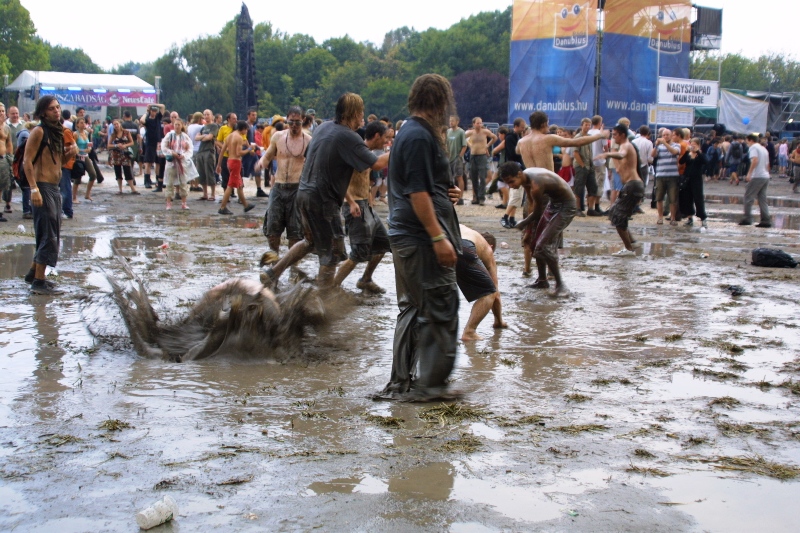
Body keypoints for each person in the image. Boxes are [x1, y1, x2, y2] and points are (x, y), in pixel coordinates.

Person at [376, 74, 461, 401]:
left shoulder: (413, 134)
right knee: (438, 304)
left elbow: (424, 186)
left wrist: (446, 191)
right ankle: (429, 386)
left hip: (410, 236)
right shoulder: (418, 137)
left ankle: (403, 383)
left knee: (413, 308)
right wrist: (439, 238)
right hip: (420, 239)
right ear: (439, 102)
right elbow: (417, 193)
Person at [261, 93, 389, 290]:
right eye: (360, 113)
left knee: (310, 241)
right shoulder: (349, 136)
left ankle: (272, 273)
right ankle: (323, 302)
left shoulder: (322, 127)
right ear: (352, 113)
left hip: (303, 194)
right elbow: (378, 163)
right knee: (332, 253)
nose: (362, 118)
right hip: (323, 200)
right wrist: (400, 147)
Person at [23, 96, 77, 295]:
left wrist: (71, 153)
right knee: (48, 235)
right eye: (52, 108)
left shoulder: (57, 132)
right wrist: (33, 189)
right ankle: (38, 281)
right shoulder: (38, 131)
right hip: (42, 187)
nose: (56, 110)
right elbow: (27, 162)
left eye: (58, 107)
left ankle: (33, 272)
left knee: (51, 233)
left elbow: (58, 161)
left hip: (54, 188)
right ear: (43, 112)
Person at [497, 162, 577, 297]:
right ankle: (542, 280)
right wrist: (529, 231)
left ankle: (561, 285)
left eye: (511, 182)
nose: (511, 186)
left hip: (566, 206)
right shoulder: (526, 181)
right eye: (507, 184)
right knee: (535, 243)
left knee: (543, 246)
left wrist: (522, 223)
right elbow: (532, 207)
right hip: (553, 204)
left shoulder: (535, 185)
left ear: (519, 174)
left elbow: (537, 213)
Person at [332, 120, 391, 293]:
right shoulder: (357, 152)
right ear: (377, 136)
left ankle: (365, 279)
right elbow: (338, 181)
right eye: (385, 138)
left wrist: (370, 203)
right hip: (354, 205)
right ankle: (331, 287)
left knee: (383, 243)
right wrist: (350, 202)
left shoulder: (367, 153)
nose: (387, 142)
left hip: (366, 206)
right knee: (358, 253)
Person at [256, 106, 311, 265]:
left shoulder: (308, 141)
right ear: (287, 120)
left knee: (295, 232)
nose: (294, 126)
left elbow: (313, 164)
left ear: (303, 121)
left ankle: (293, 266)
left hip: (297, 189)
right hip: (278, 187)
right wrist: (261, 164)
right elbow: (268, 156)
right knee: (272, 230)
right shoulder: (278, 137)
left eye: (297, 123)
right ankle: (274, 260)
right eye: (291, 122)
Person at [593, 124, 645, 256]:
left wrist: (607, 154)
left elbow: (621, 155)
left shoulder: (626, 145)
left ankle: (629, 249)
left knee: (618, 216)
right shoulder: (625, 146)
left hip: (633, 185)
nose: (613, 136)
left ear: (622, 135)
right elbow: (620, 166)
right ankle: (632, 242)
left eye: (615, 134)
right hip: (631, 185)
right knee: (616, 214)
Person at [457, 224, 506, 341]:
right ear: (491, 246)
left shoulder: (468, 231)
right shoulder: (487, 250)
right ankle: (469, 331)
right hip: (463, 247)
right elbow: (495, 294)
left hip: (436, 244)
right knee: (489, 293)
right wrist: (499, 321)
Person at [216, 121, 257, 215]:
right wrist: (250, 148)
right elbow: (239, 153)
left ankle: (246, 205)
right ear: (242, 129)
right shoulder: (238, 137)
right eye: (246, 129)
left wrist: (218, 165)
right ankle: (222, 207)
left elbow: (222, 151)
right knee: (230, 186)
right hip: (235, 162)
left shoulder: (230, 136)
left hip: (229, 161)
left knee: (239, 185)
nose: (247, 131)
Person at [739, 132, 772, 227]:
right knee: (762, 199)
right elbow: (767, 164)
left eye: (747, 141)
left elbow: (754, 160)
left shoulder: (753, 147)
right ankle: (766, 220)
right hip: (765, 176)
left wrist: (749, 173)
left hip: (757, 176)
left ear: (751, 140)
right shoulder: (764, 149)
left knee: (748, 197)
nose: (747, 143)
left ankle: (747, 218)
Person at [161, 118, 194, 210]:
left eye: (179, 124)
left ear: (182, 125)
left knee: (183, 182)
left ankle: (184, 202)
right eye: (175, 124)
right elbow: (164, 147)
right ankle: (168, 203)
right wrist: (172, 152)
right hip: (171, 162)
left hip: (182, 162)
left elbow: (190, 149)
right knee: (169, 182)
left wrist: (183, 155)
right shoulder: (169, 135)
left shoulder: (185, 136)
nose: (177, 126)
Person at [651, 128, 681, 225]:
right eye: (663, 135)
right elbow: (652, 155)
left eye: (667, 135)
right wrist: (656, 145)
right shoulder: (659, 146)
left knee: (673, 198)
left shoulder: (677, 145)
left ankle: (672, 218)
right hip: (660, 175)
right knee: (659, 198)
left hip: (673, 176)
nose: (665, 137)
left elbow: (674, 152)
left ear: (671, 135)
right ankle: (660, 217)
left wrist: (665, 143)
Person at [464, 117, 497, 205]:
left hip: (482, 155)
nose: (479, 125)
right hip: (473, 155)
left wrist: (487, 145)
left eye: (480, 123)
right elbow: (462, 137)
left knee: (482, 177)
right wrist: (469, 145)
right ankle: (476, 197)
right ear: (474, 124)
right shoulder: (470, 132)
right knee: (473, 177)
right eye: (478, 123)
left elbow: (494, 137)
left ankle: (481, 197)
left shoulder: (485, 131)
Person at [678, 137, 708, 227]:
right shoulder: (688, 154)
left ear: (698, 145)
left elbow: (705, 161)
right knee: (687, 199)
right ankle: (689, 217)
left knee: (698, 199)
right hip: (687, 179)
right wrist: (687, 151)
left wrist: (698, 151)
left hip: (697, 179)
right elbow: (681, 161)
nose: (693, 146)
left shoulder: (701, 155)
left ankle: (703, 218)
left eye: (695, 144)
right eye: (691, 144)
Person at [193, 109, 219, 201]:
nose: (206, 116)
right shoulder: (203, 127)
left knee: (209, 172)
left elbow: (210, 137)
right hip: (201, 151)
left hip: (209, 151)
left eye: (208, 114)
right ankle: (205, 194)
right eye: (204, 114)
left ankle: (212, 194)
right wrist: (203, 137)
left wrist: (202, 137)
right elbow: (196, 137)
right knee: (201, 173)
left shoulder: (214, 126)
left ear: (212, 116)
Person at [108, 119, 139, 195]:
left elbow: (132, 142)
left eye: (117, 124)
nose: (116, 126)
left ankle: (133, 189)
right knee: (118, 171)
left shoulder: (126, 132)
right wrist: (116, 145)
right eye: (114, 124)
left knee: (127, 170)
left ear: (120, 124)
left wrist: (125, 145)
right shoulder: (113, 135)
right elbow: (108, 145)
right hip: (116, 154)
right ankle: (120, 189)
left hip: (125, 154)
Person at [71, 117, 99, 203]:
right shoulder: (75, 134)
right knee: (78, 178)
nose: (83, 124)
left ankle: (87, 194)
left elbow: (89, 144)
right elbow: (73, 146)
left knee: (93, 174)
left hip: (85, 156)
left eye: (84, 123)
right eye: (81, 123)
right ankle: (74, 197)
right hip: (78, 156)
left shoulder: (86, 133)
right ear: (77, 125)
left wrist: (89, 149)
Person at [140, 104, 165, 189]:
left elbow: (162, 106)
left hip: (158, 143)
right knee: (148, 162)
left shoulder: (158, 118)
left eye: (155, 111)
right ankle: (147, 180)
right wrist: (147, 111)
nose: (154, 112)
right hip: (150, 143)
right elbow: (141, 120)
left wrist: (153, 104)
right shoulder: (147, 120)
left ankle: (158, 180)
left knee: (158, 162)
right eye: (152, 111)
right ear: (150, 111)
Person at [447, 115, 467, 205]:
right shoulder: (448, 132)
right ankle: (451, 196)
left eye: (452, 121)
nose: (451, 122)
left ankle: (461, 197)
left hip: (457, 158)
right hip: (449, 158)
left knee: (459, 177)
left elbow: (464, 145)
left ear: (457, 122)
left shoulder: (461, 132)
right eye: (450, 121)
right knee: (449, 178)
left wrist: (460, 156)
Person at [0, 103, 12, 221]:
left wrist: (10, 159)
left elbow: (9, 144)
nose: (1, 113)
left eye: (3, 111)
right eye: (0, 111)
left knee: (1, 186)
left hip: (3, 159)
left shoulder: (7, 127)